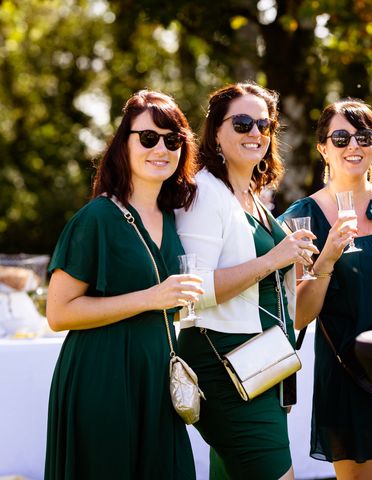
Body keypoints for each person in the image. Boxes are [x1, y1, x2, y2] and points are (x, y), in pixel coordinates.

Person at [45, 90, 202, 479]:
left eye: (173, 140)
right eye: (148, 138)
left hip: (158, 383)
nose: (161, 148)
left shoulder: (173, 217)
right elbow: (58, 312)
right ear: (124, 144)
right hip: (104, 380)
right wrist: (149, 299)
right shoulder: (96, 218)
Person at [174, 82, 316, 480]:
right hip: (224, 364)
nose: (255, 132)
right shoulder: (204, 192)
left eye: (264, 124)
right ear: (216, 131)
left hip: (262, 362)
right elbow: (192, 291)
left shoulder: (251, 194)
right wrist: (273, 258)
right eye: (242, 123)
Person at [279, 99, 372, 480]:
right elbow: (299, 315)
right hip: (349, 372)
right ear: (322, 149)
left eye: (363, 136)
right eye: (340, 138)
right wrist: (325, 260)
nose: (353, 146)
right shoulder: (300, 220)